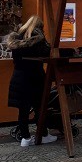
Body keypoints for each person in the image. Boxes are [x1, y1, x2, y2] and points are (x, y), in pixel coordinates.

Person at [7, 15, 57, 147]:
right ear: (39, 27)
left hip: (18, 76)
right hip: (35, 77)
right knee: (39, 107)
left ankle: (25, 138)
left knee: (23, 109)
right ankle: (43, 134)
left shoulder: (16, 39)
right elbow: (48, 52)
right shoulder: (38, 40)